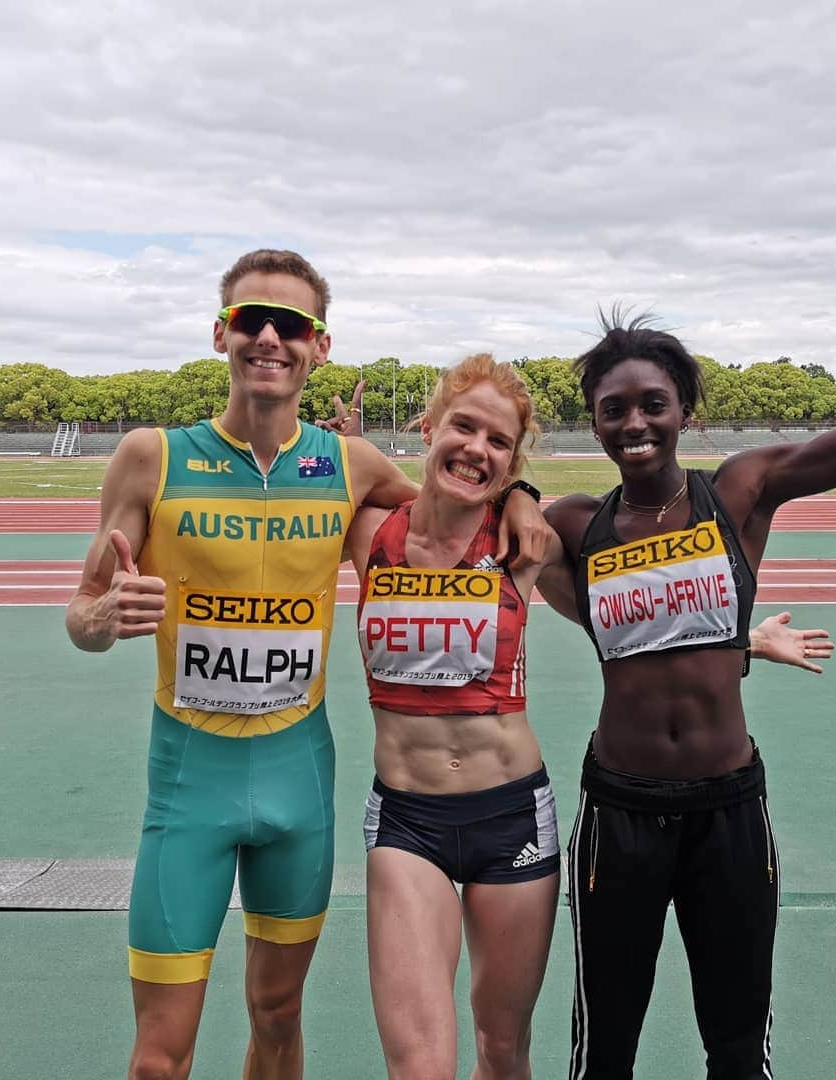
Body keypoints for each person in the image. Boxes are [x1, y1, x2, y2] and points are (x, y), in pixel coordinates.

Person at [539, 125, 836, 1079]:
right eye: (613, 407)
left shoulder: (740, 491)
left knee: (738, 1051)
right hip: (616, 811)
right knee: (604, 1051)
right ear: (594, 420)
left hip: (728, 811)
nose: (633, 422)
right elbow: (458, 517)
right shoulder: (574, 524)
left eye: (651, 402)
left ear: (683, 410)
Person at [64, 250, 548, 1080]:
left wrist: (526, 495)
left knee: (279, 1017)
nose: (269, 338)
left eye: (292, 325)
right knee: (155, 1060)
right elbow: (82, 611)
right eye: (252, 319)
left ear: (319, 346)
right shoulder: (151, 457)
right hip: (190, 784)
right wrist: (102, 620)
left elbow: (460, 492)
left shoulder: (349, 467)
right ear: (221, 331)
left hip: (299, 778)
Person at [339, 355, 835, 1079]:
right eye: (462, 427)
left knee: (503, 1050)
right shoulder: (369, 530)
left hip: (510, 811)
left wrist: (743, 642)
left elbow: (643, 627)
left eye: (499, 442)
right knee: (419, 1065)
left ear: (513, 461)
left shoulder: (527, 542)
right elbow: (328, 472)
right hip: (406, 815)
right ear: (428, 427)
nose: (476, 447)